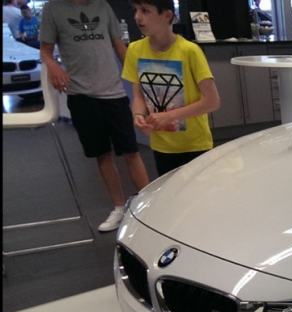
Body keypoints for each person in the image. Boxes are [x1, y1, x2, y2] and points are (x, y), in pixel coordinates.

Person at [40, 0, 151, 232]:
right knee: (102, 154)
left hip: (114, 92)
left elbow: (119, 45)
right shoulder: (53, 9)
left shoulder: (102, 6)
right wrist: (53, 66)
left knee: (131, 151)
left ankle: (150, 205)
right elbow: (45, 51)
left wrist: (141, 81)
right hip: (81, 95)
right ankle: (118, 207)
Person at [122, 0, 219, 177]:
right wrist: (138, 115)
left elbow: (212, 101)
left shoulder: (190, 51)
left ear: (167, 16)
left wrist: (170, 116)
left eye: (145, 11)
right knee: (170, 192)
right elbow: (138, 96)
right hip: (161, 146)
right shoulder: (134, 50)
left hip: (194, 145)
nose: (137, 17)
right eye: (135, 10)